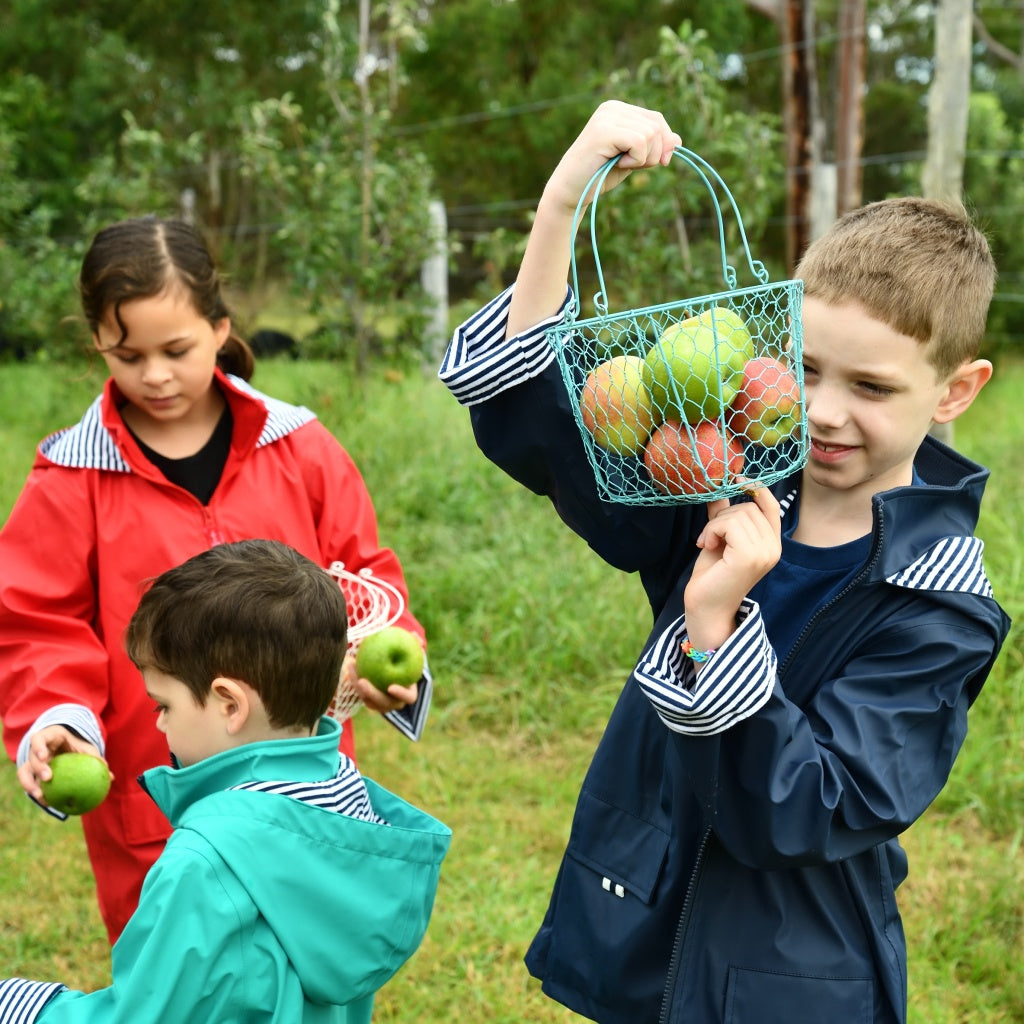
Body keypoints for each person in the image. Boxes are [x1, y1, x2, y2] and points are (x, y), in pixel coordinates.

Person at [437, 101, 1011, 1024]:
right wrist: (560, 205)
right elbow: (552, 440)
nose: (823, 411)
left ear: (955, 390)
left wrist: (715, 626)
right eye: (807, 365)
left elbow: (812, 808)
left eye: (872, 387)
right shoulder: (723, 482)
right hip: (646, 930)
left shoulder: (937, 606)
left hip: (789, 980)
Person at [0, 216, 433, 945]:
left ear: (220, 329)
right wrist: (60, 721)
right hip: (159, 803)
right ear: (97, 345)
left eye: (176, 350)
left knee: (307, 959)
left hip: (304, 786)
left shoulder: (299, 448)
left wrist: (391, 660)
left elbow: (363, 576)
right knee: (180, 976)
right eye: (127, 355)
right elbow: (36, 622)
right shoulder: (71, 477)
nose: (156, 375)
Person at [0, 539, 451, 1024]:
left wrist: (25, 1007)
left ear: (229, 704)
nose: (159, 725)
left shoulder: (204, 863)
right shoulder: (351, 808)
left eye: (163, 705)